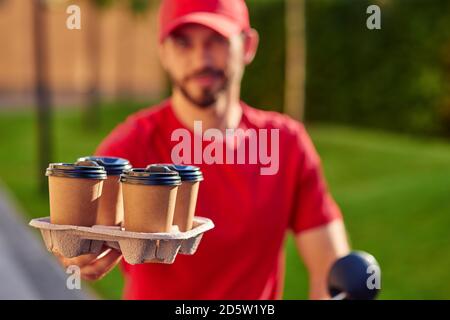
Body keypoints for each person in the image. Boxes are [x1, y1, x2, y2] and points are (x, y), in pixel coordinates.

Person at [57, 0, 350, 299]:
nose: (201, 58)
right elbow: (80, 238)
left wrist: (341, 286)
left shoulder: (286, 144)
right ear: (164, 53)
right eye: (183, 43)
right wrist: (77, 255)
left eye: (216, 40)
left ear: (248, 46)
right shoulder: (130, 148)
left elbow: (331, 266)